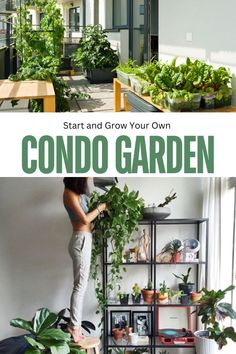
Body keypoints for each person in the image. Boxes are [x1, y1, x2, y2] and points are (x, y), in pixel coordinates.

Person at [63, 177, 107, 343]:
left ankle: (76, 326)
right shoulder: (68, 194)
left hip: (85, 239)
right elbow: (85, 219)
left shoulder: (79, 193)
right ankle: (74, 327)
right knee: (80, 286)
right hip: (80, 240)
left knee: (81, 285)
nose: (89, 178)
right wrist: (101, 208)